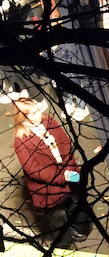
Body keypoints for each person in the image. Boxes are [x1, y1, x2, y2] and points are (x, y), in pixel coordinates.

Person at [12, 96, 91, 246]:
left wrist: (69, 170)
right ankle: (64, 244)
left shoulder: (49, 121)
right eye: (33, 113)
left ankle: (79, 229)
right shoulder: (21, 140)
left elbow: (65, 143)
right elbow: (35, 170)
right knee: (58, 220)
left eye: (38, 110)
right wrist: (62, 177)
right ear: (23, 117)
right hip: (49, 190)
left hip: (69, 175)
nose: (39, 114)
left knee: (77, 205)